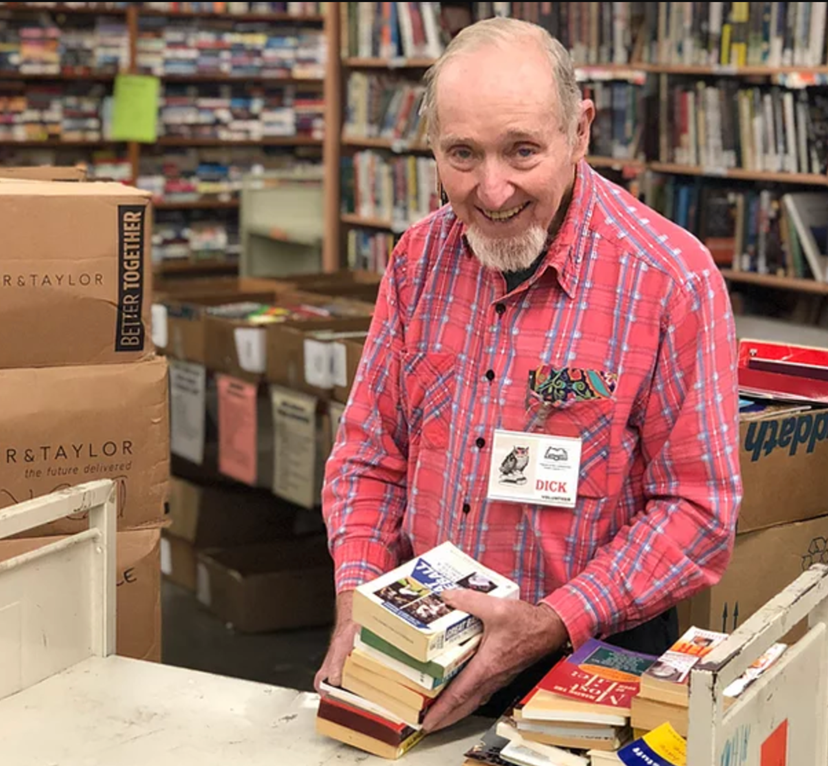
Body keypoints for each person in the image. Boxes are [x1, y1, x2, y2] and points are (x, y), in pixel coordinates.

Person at [315, 16, 743, 733]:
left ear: (579, 132)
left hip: (591, 664)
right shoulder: (418, 262)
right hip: (421, 652)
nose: (490, 189)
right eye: (461, 154)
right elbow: (367, 457)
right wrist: (358, 603)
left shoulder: (671, 279)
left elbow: (698, 512)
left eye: (522, 151)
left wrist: (550, 622)